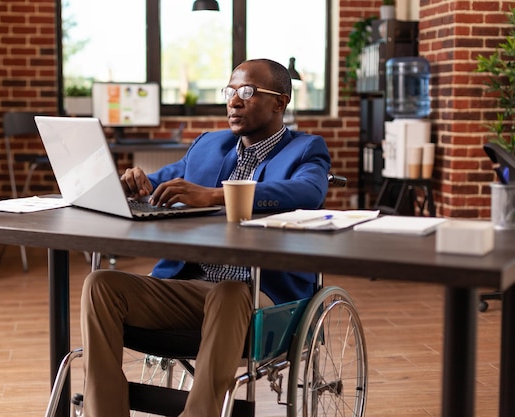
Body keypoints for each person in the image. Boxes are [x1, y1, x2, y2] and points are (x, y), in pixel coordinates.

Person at [80, 58, 331, 417]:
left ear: (280, 102)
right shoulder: (209, 146)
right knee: (100, 284)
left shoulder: (305, 149)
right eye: (230, 92)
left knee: (229, 292)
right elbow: (161, 181)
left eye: (247, 92)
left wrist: (217, 195)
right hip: (191, 286)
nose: (234, 101)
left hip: (260, 294)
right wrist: (137, 183)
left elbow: (307, 192)